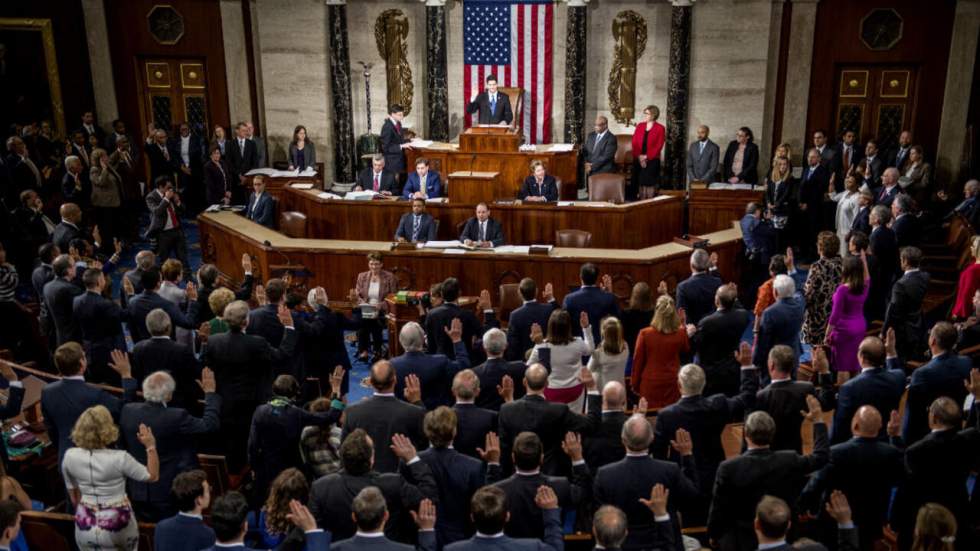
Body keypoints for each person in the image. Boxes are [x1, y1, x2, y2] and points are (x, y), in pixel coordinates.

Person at [707, 400, 829, 550]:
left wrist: (713, 533)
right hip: (784, 535)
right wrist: (818, 420)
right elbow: (821, 457)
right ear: (772, 433)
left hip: (742, 540)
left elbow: (719, 507)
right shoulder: (789, 460)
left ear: (746, 435)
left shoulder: (728, 468)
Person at [652, 351, 759, 522]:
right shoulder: (717, 405)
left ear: (679, 385)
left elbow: (657, 454)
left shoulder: (666, 415)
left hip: (681, 479)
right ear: (704, 384)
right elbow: (747, 397)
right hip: (714, 474)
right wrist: (746, 366)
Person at [201, 300, 297, 470]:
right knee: (254, 444)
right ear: (246, 321)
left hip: (225, 403)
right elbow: (282, 355)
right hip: (253, 403)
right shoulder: (257, 342)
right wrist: (289, 328)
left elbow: (206, 367)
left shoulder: (213, 341)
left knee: (233, 448)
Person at [120, 369, 220, 521]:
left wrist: (127, 378)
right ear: (169, 395)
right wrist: (210, 394)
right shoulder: (177, 416)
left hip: (136, 489)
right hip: (166, 491)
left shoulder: (127, 410)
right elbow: (209, 425)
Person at [801, 406, 903, 550]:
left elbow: (816, 483)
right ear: (880, 427)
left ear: (855, 425)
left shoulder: (835, 453)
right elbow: (900, 478)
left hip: (834, 521)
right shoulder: (892, 453)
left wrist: (803, 506)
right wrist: (895, 437)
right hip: (872, 520)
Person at [309, 428, 437, 543]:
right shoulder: (393, 483)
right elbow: (429, 498)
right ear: (372, 458)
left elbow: (314, 530)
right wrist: (413, 460)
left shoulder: (321, 487)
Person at [594, 414, 698, 549]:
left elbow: (600, 517)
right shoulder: (670, 470)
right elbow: (692, 498)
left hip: (624, 544)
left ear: (623, 440)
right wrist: (687, 455)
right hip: (664, 542)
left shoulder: (605, 475)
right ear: (652, 438)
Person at [62, 405, 158, 551]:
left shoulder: (69, 455)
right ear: (108, 428)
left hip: (85, 522)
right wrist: (150, 446)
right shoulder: (120, 458)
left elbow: (74, 498)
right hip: (117, 523)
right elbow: (152, 476)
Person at [890, 396, 980, 551]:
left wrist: (895, 437)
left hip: (925, 519)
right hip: (957, 511)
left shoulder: (916, 451)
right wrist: (978, 398)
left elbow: (907, 489)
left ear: (934, 418)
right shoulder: (968, 439)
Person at [248, 372, 344, 503]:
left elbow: (253, 445)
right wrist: (335, 394)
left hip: (266, 470)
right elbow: (330, 417)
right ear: (295, 392)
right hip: (291, 470)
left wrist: (254, 467)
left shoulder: (260, 411)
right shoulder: (296, 414)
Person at [418, 407, 502, 546]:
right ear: (454, 431)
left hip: (422, 536)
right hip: (460, 539)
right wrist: (493, 464)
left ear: (427, 431)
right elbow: (487, 503)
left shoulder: (412, 462)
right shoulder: (473, 466)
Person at [41, 343, 138, 465]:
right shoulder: (95, 394)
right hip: (95, 464)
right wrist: (126, 375)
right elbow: (127, 410)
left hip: (66, 460)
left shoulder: (47, 391)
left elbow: (52, 430)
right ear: (82, 364)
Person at [494, 431, 591, 539]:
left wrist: (492, 463)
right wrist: (577, 457)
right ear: (541, 458)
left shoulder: (499, 490)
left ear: (513, 458)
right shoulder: (560, 486)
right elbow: (583, 493)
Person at [497, 364, 591, 475]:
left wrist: (509, 400)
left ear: (524, 382)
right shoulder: (559, 410)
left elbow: (504, 447)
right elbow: (590, 424)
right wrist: (592, 388)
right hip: (553, 474)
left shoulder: (507, 409)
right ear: (547, 383)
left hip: (517, 473)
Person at [341, 361, 426, 473]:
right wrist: (417, 402)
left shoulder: (352, 412)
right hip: (401, 479)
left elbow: (344, 450)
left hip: (365, 479)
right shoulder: (415, 412)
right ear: (395, 380)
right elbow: (425, 446)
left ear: (370, 382)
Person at [828, 332, 906, 444]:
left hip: (859, 447)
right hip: (887, 443)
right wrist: (891, 351)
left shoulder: (849, 388)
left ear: (862, 358)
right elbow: (896, 370)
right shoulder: (898, 378)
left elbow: (840, 427)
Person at [901, 322, 972, 444]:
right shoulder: (966, 362)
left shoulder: (922, 373)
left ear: (932, 341)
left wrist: (905, 441)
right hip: (956, 426)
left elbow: (912, 415)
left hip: (928, 434)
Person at [755, 345, 834, 453]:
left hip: (769, 459)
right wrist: (824, 371)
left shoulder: (761, 397)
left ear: (771, 365)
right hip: (796, 455)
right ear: (793, 365)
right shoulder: (806, 389)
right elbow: (827, 404)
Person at [445, 485, 562, 551]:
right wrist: (550, 510)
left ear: (472, 518)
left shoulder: (451, 550)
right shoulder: (533, 547)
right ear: (507, 516)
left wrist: (428, 531)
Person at [689, 283, 751, 397]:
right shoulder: (743, 316)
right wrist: (734, 296)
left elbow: (695, 344)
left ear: (716, 301)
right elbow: (739, 307)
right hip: (733, 368)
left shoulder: (706, 322)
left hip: (711, 373)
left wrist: (690, 334)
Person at [129, 309, 199, 408]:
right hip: (179, 404)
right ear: (169, 327)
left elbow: (137, 374)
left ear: (148, 327)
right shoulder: (182, 350)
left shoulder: (138, 348)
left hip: (149, 400)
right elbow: (194, 376)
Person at [393, 320, 470, 409]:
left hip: (403, 417)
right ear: (423, 340)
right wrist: (457, 340)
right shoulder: (440, 361)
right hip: (437, 417)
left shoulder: (392, 365)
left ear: (401, 340)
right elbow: (464, 367)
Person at [528, 309, 594, 412]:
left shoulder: (542, 346)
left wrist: (538, 343)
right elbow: (590, 349)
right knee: (574, 423)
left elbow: (529, 366)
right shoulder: (578, 343)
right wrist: (586, 328)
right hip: (574, 389)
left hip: (551, 390)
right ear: (568, 327)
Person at [632, 295, 689, 409]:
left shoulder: (645, 334)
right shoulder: (681, 333)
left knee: (648, 420)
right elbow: (686, 349)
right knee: (671, 419)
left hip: (650, 383)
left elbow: (637, 361)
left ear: (656, 312)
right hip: (673, 383)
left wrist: (635, 384)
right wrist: (682, 325)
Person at [72, 268, 127, 385]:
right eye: (103, 278)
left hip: (88, 349)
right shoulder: (106, 304)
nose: (105, 280)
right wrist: (131, 295)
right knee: (113, 381)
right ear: (99, 282)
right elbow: (125, 316)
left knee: (95, 380)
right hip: (108, 352)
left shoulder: (76, 300)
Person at [826, 252, 871, 383]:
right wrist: (864, 262)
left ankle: (842, 395)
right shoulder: (865, 286)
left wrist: (827, 335)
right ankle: (855, 392)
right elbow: (868, 277)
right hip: (860, 326)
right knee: (855, 363)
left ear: (847, 270)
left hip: (844, 330)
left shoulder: (842, 290)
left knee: (843, 366)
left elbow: (835, 315)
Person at [125, 267, 199, 344]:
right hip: (168, 349)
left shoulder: (132, 302)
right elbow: (188, 323)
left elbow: (132, 328)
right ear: (158, 284)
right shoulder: (166, 305)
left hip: (143, 347)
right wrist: (193, 300)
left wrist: (138, 345)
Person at [752, 274, 804, 381]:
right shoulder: (799, 304)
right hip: (794, 354)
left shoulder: (769, 313)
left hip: (775, 359)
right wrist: (791, 269)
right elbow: (800, 290)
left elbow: (763, 342)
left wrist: (755, 362)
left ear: (775, 292)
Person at [883, 246, 929, 361]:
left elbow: (893, 311)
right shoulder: (925, 277)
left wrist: (884, 331)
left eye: (900, 259)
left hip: (903, 330)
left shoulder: (900, 285)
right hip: (918, 322)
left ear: (905, 261)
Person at [153, 470, 216, 551]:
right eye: (208, 490)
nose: (210, 493)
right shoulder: (208, 534)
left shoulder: (161, 527)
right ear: (199, 500)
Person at [353, 252, 398, 361]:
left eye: (377, 264)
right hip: (365, 308)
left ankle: (374, 350)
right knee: (363, 319)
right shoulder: (362, 276)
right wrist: (364, 304)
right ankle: (365, 351)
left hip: (382, 310)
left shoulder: (389, 277)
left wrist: (380, 306)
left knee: (373, 320)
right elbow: (357, 295)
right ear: (368, 264)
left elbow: (394, 297)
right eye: (372, 264)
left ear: (382, 264)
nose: (374, 267)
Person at [425, 277, 483, 360]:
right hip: (464, 361)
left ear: (441, 294)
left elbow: (430, 346)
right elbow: (483, 335)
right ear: (459, 293)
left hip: (439, 361)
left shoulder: (431, 314)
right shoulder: (468, 315)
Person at [802, 232, 843, 348]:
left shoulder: (817, 267)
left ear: (821, 248)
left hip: (818, 316)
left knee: (817, 353)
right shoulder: (843, 264)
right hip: (836, 314)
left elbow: (809, 293)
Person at [563, 263, 620, 341]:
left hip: (578, 346)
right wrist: (609, 293)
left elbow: (564, 324)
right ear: (596, 278)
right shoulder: (609, 298)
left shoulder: (569, 299)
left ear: (580, 276)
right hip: (603, 345)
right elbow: (617, 321)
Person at [473, 329, 527, 411]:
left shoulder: (474, 373)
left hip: (485, 421)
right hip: (514, 417)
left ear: (484, 347)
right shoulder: (521, 369)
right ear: (506, 346)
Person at [451, 370, 500, 459]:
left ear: (453, 391)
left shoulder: (443, 416)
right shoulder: (491, 417)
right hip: (482, 468)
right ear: (477, 392)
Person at [504, 278, 557, 362]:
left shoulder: (515, 315)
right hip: (548, 357)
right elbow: (561, 316)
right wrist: (551, 300)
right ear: (536, 291)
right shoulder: (549, 308)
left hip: (525, 361)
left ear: (519, 293)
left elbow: (513, 344)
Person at [144, 175, 190, 267]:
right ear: (160, 187)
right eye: (168, 187)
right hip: (163, 234)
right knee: (164, 262)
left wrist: (178, 202)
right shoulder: (151, 197)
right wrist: (166, 199)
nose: (170, 189)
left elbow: (183, 211)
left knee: (183, 259)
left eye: (171, 187)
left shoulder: (172, 193)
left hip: (177, 230)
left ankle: (188, 279)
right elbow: (157, 212)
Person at [43, 253, 84, 347]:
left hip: (60, 337)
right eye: (74, 265)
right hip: (75, 339)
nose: (76, 267)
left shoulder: (47, 286)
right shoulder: (70, 290)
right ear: (69, 270)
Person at [675, 248, 723, 326]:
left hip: (694, 332)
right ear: (707, 265)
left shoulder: (683, 287)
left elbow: (681, 315)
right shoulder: (717, 282)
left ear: (691, 265)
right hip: (715, 329)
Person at [798, 149, 831, 260]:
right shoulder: (806, 170)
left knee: (813, 232)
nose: (810, 159)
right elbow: (801, 187)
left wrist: (808, 204)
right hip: (803, 208)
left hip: (815, 208)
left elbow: (818, 191)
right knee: (804, 231)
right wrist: (800, 202)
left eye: (812, 157)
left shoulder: (823, 171)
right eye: (808, 157)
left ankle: (812, 255)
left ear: (819, 159)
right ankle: (803, 253)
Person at [89, 148, 122, 252]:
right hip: (104, 205)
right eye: (104, 156)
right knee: (107, 228)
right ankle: (110, 249)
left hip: (114, 202)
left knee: (115, 226)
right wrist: (104, 170)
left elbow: (112, 159)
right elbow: (100, 182)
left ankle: (117, 246)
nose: (107, 157)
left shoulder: (108, 165)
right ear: (99, 159)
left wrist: (117, 151)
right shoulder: (94, 170)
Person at [630, 105, 665, 199]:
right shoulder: (640, 126)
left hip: (652, 159)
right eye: (645, 113)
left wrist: (646, 157)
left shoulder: (660, 128)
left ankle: (649, 201)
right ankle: (636, 201)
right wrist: (640, 157)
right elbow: (634, 142)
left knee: (648, 178)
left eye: (647, 113)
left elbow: (659, 145)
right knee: (636, 178)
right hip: (638, 157)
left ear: (653, 115)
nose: (645, 115)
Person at [764, 156, 796, 250]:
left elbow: (786, 195)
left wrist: (775, 205)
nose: (782, 166)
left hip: (782, 211)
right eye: (780, 164)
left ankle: (779, 257)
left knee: (779, 237)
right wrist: (768, 203)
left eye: (785, 164)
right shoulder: (771, 177)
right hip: (771, 210)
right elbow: (767, 192)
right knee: (771, 236)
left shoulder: (790, 178)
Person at [587, 317, 628, 390]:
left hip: (602, 393)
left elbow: (589, 370)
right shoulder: (625, 347)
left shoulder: (599, 353)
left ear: (603, 333)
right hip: (619, 390)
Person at [621, 282, 655, 360]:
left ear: (633, 296)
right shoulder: (655, 313)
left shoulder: (626, 314)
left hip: (632, 353)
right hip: (650, 353)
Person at [830, 174, 862, 255]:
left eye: (850, 182)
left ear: (857, 185)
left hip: (847, 232)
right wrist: (831, 183)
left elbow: (856, 218)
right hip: (840, 229)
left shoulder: (857, 198)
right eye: (847, 180)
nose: (847, 183)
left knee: (845, 255)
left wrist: (850, 233)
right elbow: (833, 197)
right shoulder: (846, 193)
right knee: (839, 254)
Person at [952, 236, 980, 319]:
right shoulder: (974, 266)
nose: (971, 248)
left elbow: (966, 293)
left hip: (965, 311)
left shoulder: (973, 270)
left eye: (973, 246)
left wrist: (957, 312)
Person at [227, 122, 259, 193]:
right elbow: (229, 162)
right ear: (237, 131)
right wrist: (239, 175)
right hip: (236, 180)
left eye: (246, 130)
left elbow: (255, 162)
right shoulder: (230, 144)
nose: (245, 132)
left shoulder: (252, 144)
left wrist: (247, 176)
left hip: (250, 180)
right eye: (243, 130)